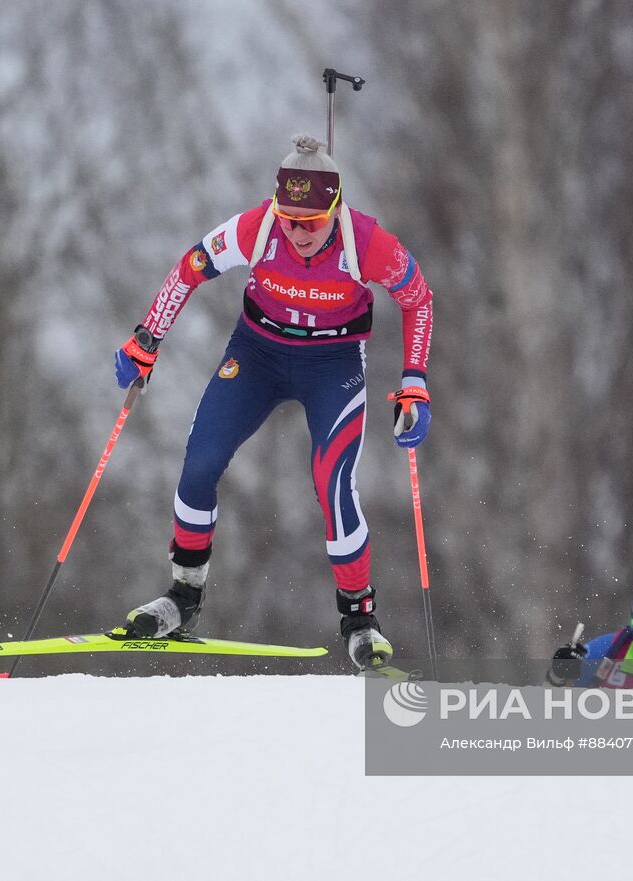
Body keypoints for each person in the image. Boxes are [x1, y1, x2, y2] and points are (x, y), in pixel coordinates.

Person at [106, 135, 435, 670]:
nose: (298, 232)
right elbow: (191, 265)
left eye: (311, 221)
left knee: (333, 484)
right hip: (257, 354)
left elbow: (417, 298)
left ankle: (359, 617)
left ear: (335, 208)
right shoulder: (257, 229)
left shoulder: (368, 242)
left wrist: (415, 380)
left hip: (333, 364)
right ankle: (182, 597)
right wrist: (148, 338)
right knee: (200, 463)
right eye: (289, 218)